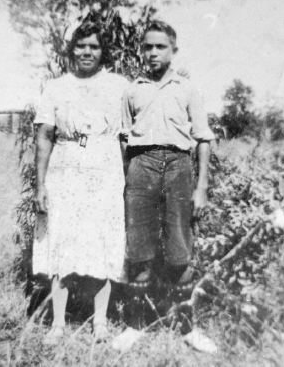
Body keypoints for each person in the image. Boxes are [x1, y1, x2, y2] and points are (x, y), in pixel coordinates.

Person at [32, 21, 129, 344]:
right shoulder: (55, 87)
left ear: (103, 52)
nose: (87, 52)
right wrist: (40, 184)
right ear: (71, 49)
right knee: (61, 243)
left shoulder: (118, 86)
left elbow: (128, 138)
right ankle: (58, 323)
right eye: (81, 46)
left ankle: (100, 322)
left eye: (95, 46)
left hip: (105, 170)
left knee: (103, 243)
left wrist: (129, 182)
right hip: (65, 168)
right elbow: (44, 135)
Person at [121, 20, 214, 285]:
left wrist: (202, 188)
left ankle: (181, 324)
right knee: (139, 250)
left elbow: (203, 138)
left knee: (179, 248)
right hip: (141, 164)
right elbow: (124, 138)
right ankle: (136, 324)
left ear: (173, 49)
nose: (153, 52)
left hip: (178, 165)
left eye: (160, 46)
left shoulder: (187, 88)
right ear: (141, 49)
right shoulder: (132, 89)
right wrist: (127, 179)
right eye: (148, 46)